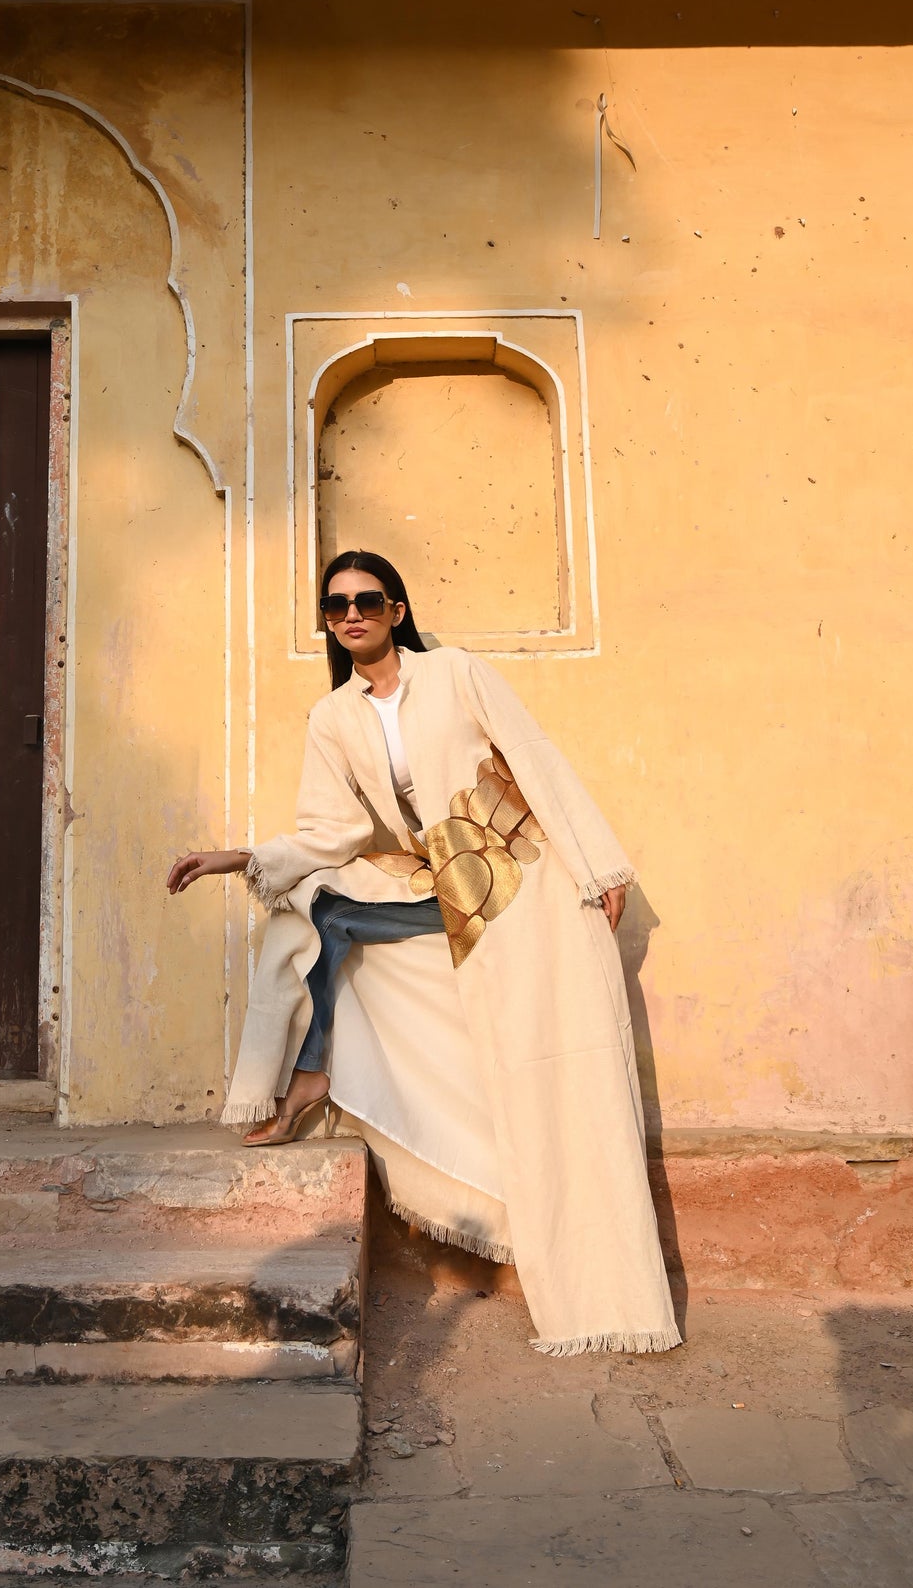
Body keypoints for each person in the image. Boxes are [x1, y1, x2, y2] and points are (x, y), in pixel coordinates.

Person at [168, 549, 680, 1358]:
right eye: (336, 607)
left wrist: (597, 864)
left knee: (549, 1064)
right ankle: (312, 1072)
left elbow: (534, 757)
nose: (352, 615)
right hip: (438, 884)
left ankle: (601, 1279)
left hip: (521, 879)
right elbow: (329, 831)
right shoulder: (333, 718)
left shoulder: (456, 675)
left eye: (368, 600)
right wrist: (236, 858)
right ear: (329, 624)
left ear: (396, 610)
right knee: (320, 913)